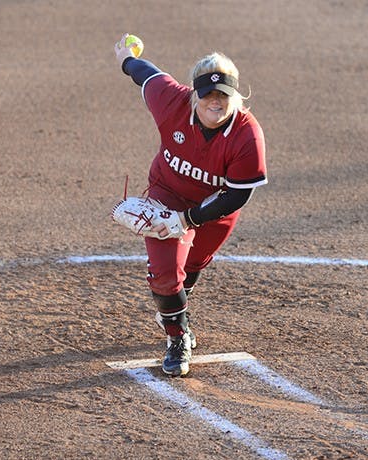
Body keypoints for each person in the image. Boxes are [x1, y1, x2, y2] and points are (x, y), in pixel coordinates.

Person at [113, 34, 268, 377]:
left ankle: (176, 309)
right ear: (195, 94)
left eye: (224, 95)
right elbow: (146, 73)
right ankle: (177, 336)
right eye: (209, 94)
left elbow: (237, 195)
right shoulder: (172, 101)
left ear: (236, 96)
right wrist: (126, 58)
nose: (216, 102)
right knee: (166, 273)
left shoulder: (247, 135)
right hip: (167, 192)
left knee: (193, 265)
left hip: (216, 206)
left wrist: (187, 219)